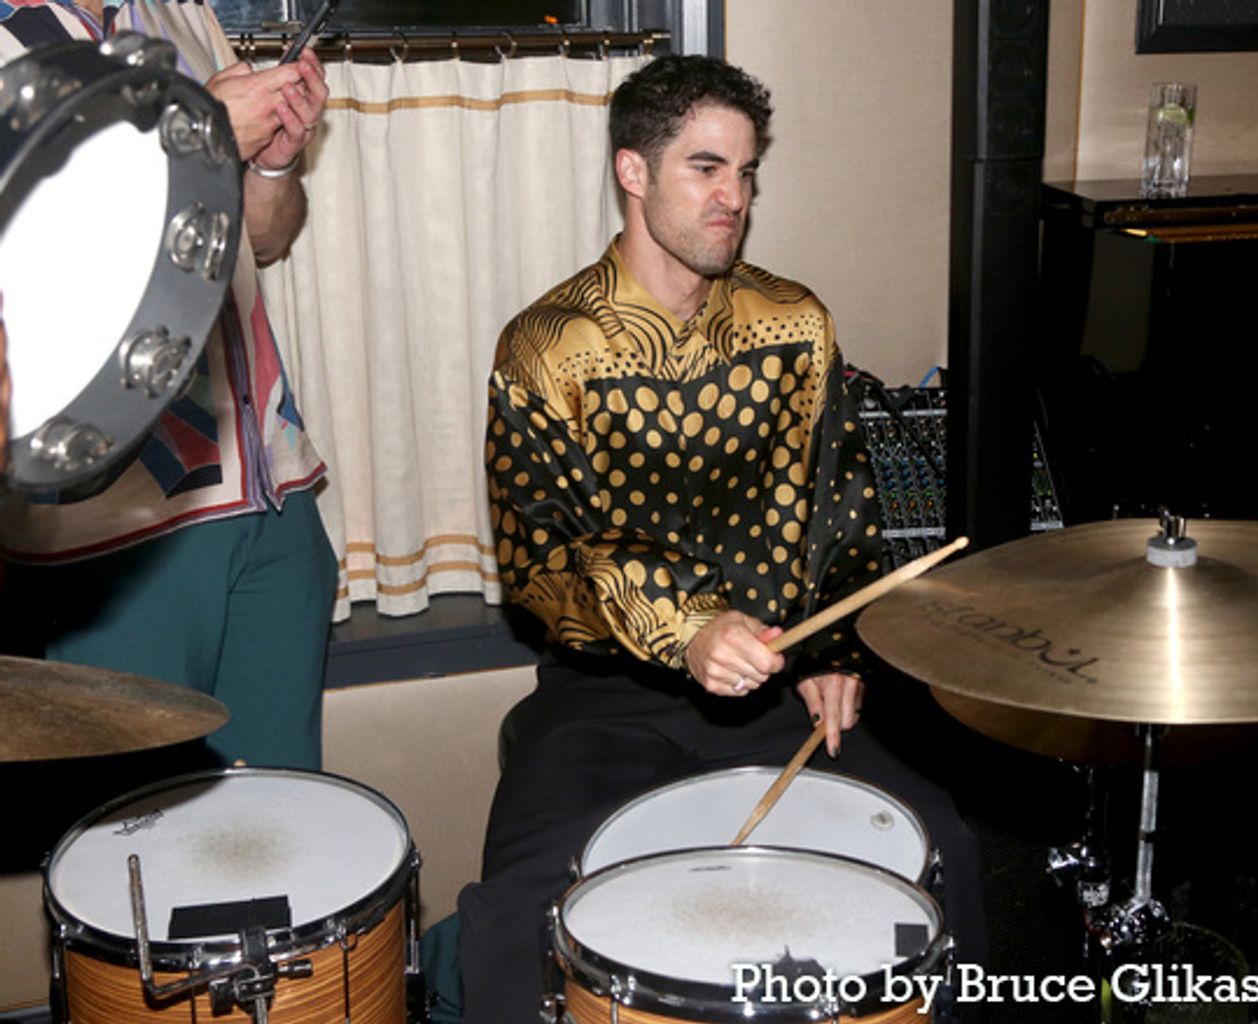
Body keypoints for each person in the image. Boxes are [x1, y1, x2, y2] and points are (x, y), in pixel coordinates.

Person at [456, 54, 986, 1022]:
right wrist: (683, 627)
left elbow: (842, 508)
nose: (731, 198)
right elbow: (539, 567)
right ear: (632, 172)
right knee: (511, 911)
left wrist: (830, 649)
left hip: (779, 684)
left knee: (944, 841)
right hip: (606, 697)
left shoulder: (793, 322)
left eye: (744, 174)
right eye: (705, 169)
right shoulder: (544, 346)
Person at [0, 0, 336, 771]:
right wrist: (195, 133)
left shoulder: (180, 16)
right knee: (132, 844)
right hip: (111, 534)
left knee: (283, 825)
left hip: (271, 495)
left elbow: (260, 238)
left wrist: (273, 160)